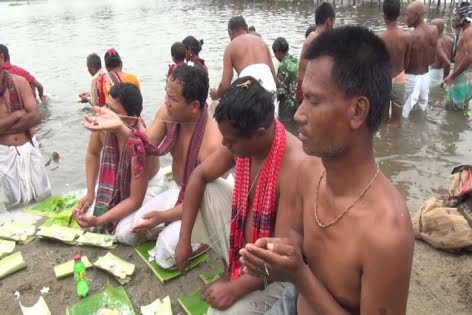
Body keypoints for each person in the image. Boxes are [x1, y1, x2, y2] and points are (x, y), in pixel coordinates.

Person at [240, 26, 414, 315]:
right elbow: (297, 232)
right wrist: (281, 253)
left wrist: (299, 275)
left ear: (357, 111)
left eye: (314, 100)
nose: (298, 114)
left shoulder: (387, 234)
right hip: (292, 303)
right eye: (303, 98)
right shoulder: (310, 170)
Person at [175, 77, 306, 314]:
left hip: (276, 275)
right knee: (210, 188)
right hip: (246, 250)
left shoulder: (294, 165)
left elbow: (282, 259)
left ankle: (239, 279)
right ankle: (231, 267)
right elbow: (198, 176)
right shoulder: (241, 142)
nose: (224, 144)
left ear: (259, 134)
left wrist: (234, 289)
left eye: (231, 140)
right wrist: (183, 241)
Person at [81, 65, 224, 249]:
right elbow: (144, 147)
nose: (166, 102)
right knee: (126, 233)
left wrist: (163, 216)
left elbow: (198, 200)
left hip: (202, 203)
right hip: (176, 189)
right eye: (166, 95)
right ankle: (164, 230)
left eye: (172, 98)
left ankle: (206, 238)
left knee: (165, 252)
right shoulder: (168, 112)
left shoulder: (211, 144)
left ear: (194, 106)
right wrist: (118, 125)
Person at [0, 47, 51, 208]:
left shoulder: (19, 82)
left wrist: (3, 127)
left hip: (28, 146)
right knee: (14, 202)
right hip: (4, 153)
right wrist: (16, 115)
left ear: (1, 59)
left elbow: (35, 117)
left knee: (43, 196)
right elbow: (29, 115)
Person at [210, 16, 277, 114]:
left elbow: (225, 84)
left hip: (249, 90)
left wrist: (216, 95)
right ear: (246, 27)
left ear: (230, 32)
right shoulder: (262, 42)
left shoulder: (231, 46)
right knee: (270, 123)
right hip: (270, 88)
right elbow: (274, 77)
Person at [403, 0, 438, 118]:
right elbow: (433, 59)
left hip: (411, 78)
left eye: (407, 14)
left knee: (403, 110)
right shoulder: (434, 30)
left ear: (416, 16)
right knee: (422, 107)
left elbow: (404, 63)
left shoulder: (410, 36)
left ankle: (401, 135)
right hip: (425, 76)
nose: (405, 18)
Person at [296, 2, 335, 107]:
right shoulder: (320, 40)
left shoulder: (311, 37)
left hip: (303, 89)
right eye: (333, 22)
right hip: (308, 93)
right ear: (329, 22)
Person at [380, 0, 411, 123]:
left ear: (384, 15)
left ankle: (384, 142)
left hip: (384, 80)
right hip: (399, 79)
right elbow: (407, 62)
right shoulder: (407, 37)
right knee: (397, 121)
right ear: (399, 14)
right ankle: (395, 141)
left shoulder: (380, 37)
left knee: (383, 120)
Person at [443, 2, 472, 111]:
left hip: (462, 76)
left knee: (452, 112)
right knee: (462, 110)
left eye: (456, 15)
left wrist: (452, 76)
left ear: (464, 17)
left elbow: (470, 56)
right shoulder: (465, 31)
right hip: (465, 75)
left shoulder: (468, 32)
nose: (454, 18)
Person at [272, 37, 299, 121]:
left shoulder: (283, 66)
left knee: (287, 129)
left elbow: (281, 92)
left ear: (278, 52)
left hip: (288, 107)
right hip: (299, 102)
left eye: (274, 53)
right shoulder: (295, 60)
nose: (275, 56)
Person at [430, 19, 453, 87]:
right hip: (443, 71)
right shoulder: (449, 39)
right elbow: (450, 59)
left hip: (434, 73)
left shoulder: (438, 42)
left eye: (431, 27)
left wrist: (444, 79)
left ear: (437, 28)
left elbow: (447, 62)